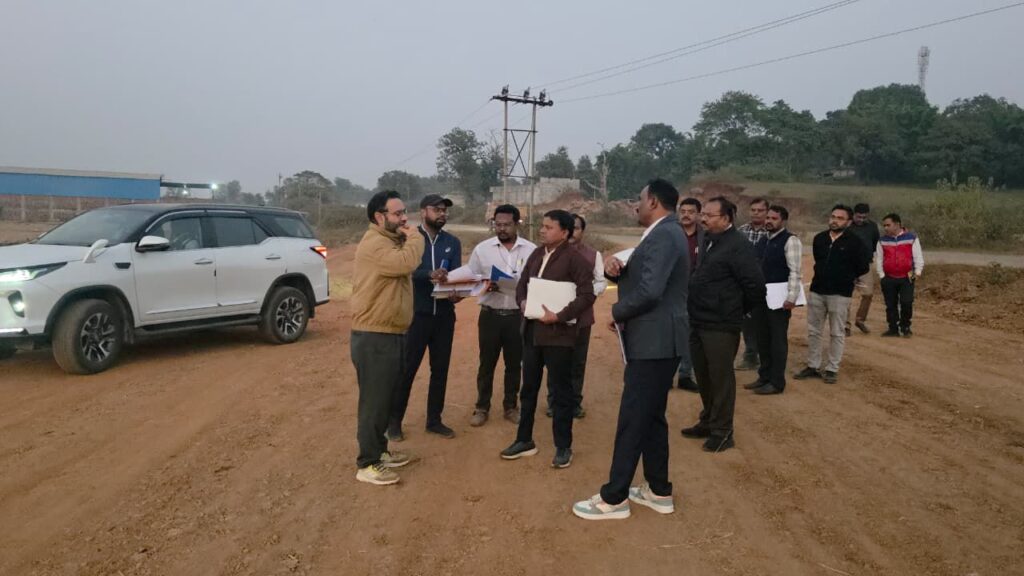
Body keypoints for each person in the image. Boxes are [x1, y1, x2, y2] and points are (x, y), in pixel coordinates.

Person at [572, 178, 688, 521]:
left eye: (640, 199)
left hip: (655, 340)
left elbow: (651, 291)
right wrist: (618, 272)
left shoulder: (665, 234)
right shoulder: (665, 232)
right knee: (651, 416)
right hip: (657, 339)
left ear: (653, 201)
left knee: (633, 417)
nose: (636, 205)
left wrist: (618, 311)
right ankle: (658, 490)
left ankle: (614, 498)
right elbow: (648, 279)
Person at [501, 210, 596, 468]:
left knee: (561, 393)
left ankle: (563, 446)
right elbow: (523, 284)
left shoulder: (575, 259)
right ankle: (524, 439)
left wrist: (560, 315)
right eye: (542, 226)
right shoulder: (536, 254)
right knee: (528, 389)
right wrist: (522, 301)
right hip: (532, 333)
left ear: (564, 232)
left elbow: (587, 295)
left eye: (548, 227)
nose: (542, 230)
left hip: (559, 336)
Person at [680, 196, 765, 453]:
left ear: (726, 218)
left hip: (721, 325)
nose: (703, 218)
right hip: (699, 319)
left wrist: (735, 310)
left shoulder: (738, 246)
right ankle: (708, 421)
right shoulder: (708, 240)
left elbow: (755, 287)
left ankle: (723, 432)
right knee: (704, 375)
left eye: (709, 215)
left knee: (720, 378)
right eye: (703, 214)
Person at [350, 190, 423, 486]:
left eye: (404, 212)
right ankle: (367, 463)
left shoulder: (389, 240)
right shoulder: (375, 244)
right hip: (374, 335)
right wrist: (415, 237)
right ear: (379, 217)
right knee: (374, 402)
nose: (404, 218)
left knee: (385, 398)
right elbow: (405, 263)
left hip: (390, 332)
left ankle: (380, 452)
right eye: (398, 213)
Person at [387, 194, 462, 443]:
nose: (442, 214)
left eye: (444, 210)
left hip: (444, 317)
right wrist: (428, 274)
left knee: (440, 370)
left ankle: (434, 421)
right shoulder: (408, 239)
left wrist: (457, 293)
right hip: (415, 316)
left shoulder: (452, 242)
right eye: (437, 209)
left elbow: (455, 276)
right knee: (406, 370)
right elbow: (403, 271)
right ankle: (394, 422)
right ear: (423, 212)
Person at [466, 205, 537, 427]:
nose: (502, 229)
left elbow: (537, 282)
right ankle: (481, 407)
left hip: (517, 316)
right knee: (486, 364)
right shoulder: (482, 250)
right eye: (498, 224)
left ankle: (511, 407)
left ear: (517, 224)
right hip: (490, 315)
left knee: (514, 364)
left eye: (507, 225)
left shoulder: (531, 250)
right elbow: (471, 279)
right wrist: (485, 285)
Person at [793, 204, 870, 385]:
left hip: (840, 294)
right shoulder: (820, 238)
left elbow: (863, 266)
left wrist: (847, 277)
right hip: (817, 291)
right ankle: (813, 365)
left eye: (840, 218)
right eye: (833, 217)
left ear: (849, 222)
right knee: (814, 331)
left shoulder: (855, 242)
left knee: (837, 332)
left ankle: (832, 369)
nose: (835, 221)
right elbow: (818, 260)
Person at [545, 213, 607, 419]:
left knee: (577, 363)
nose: (573, 232)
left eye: (577, 228)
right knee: (555, 362)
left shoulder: (593, 255)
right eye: (569, 228)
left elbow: (601, 281)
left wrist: (583, 295)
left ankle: (574, 404)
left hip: (582, 318)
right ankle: (554, 403)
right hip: (556, 317)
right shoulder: (549, 254)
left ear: (583, 231)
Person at [745, 205, 802, 395]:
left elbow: (795, 271)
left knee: (777, 341)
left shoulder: (790, 240)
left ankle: (777, 382)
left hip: (780, 299)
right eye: (768, 217)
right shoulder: (764, 240)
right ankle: (764, 376)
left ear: (783, 221)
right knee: (762, 338)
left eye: (774, 218)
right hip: (761, 298)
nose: (769, 221)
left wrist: (791, 297)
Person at [876, 213, 924, 338]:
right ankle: (893, 328)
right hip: (888, 276)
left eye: (888, 225)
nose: (885, 228)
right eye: (884, 225)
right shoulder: (882, 240)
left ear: (897, 224)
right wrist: (881, 275)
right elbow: (879, 259)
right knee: (890, 304)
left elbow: (918, 256)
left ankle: (905, 326)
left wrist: (917, 272)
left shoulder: (911, 238)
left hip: (908, 275)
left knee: (907, 302)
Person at [736, 197, 770, 371]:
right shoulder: (740, 232)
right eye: (753, 210)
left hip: (768, 284)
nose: (756, 213)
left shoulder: (771, 233)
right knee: (747, 322)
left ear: (767, 212)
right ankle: (750, 356)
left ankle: (766, 357)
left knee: (765, 322)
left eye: (760, 210)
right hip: (745, 284)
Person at [675, 197, 704, 392]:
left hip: (696, 294)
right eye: (683, 211)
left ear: (698, 214)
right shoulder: (670, 234)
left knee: (691, 334)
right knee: (670, 333)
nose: (686, 215)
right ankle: (665, 376)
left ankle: (685, 375)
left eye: (691, 212)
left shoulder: (705, 237)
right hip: (671, 293)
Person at [846, 203, 881, 335]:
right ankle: (845, 326)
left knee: (868, 294)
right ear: (854, 215)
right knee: (846, 295)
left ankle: (860, 320)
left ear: (868, 216)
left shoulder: (872, 226)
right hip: (847, 265)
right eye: (859, 217)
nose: (861, 219)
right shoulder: (846, 226)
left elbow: (875, 244)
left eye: (864, 217)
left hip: (865, 265)